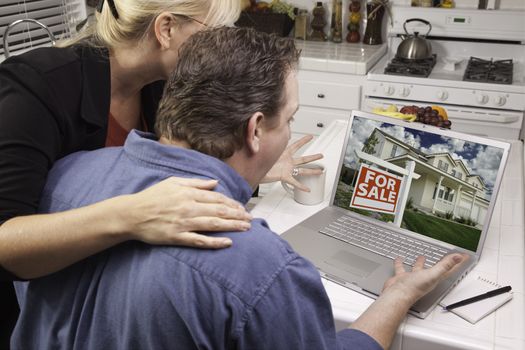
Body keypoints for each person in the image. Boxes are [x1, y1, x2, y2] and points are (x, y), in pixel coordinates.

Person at [12, 27, 467, 350]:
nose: (289, 129)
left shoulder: (66, 176)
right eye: (288, 119)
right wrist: (397, 296)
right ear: (254, 130)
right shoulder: (262, 268)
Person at [0, 0, 321, 345]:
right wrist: (132, 214)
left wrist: (255, 165)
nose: (222, 46)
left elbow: (178, 159)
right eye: (214, 32)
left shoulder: (161, 84)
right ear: (166, 28)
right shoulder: (37, 88)